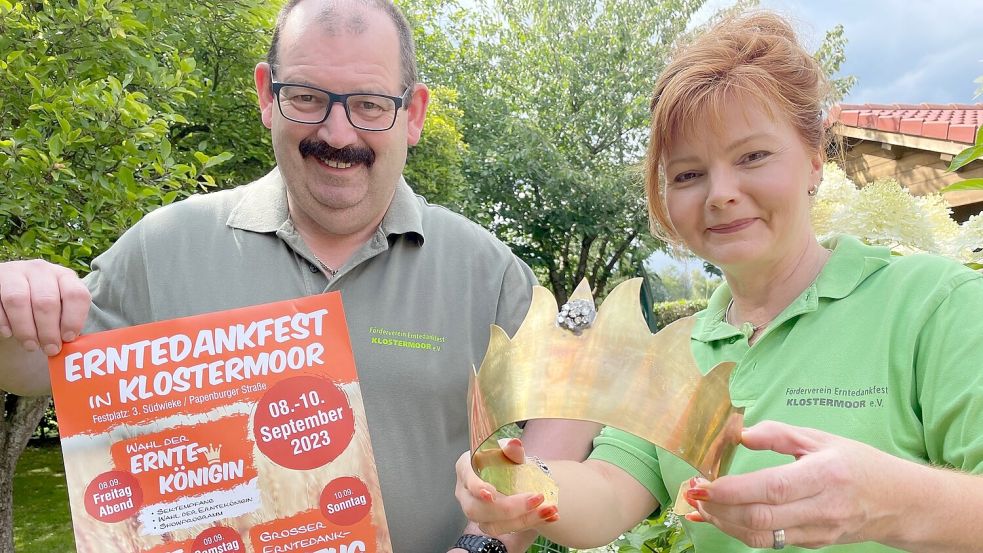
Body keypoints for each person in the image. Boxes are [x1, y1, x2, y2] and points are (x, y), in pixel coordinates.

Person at [0, 1, 597, 551]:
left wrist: (488, 540)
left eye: (368, 104)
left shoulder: (480, 267)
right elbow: (34, 371)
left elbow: (576, 389)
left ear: (412, 114)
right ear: (266, 95)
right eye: (308, 97)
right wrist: (16, 307)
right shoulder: (164, 247)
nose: (338, 135)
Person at [455, 11, 983, 552]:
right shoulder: (680, 349)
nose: (720, 193)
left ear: (815, 158)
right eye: (688, 174)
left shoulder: (932, 306)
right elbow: (612, 491)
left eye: (753, 156)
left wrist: (888, 501)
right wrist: (520, 482)